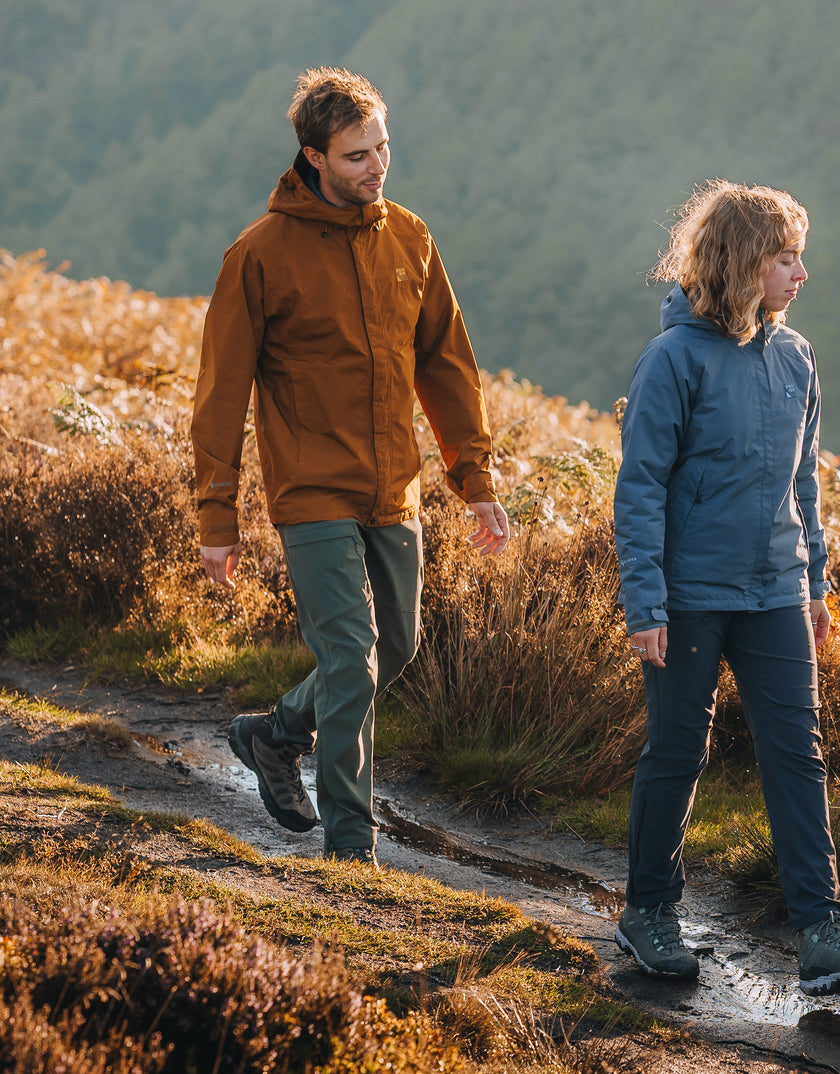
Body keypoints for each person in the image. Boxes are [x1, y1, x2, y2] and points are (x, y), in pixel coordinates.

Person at [191, 66, 510, 866]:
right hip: (310, 489)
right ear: (313, 157)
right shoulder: (257, 256)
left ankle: (274, 733)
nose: (377, 166)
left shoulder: (410, 236)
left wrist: (476, 483)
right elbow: (221, 394)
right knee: (349, 656)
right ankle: (349, 846)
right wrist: (217, 517)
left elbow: (447, 366)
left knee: (393, 647)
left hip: (391, 487)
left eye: (383, 148)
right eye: (358, 155)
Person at [612, 179, 840, 996]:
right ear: (743, 263)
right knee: (678, 751)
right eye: (786, 258)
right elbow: (639, 489)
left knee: (798, 758)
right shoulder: (672, 359)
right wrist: (647, 602)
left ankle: (821, 933)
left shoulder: (798, 356)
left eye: (800, 256)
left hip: (776, 589)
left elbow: (803, 480)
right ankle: (650, 912)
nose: (801, 273)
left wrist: (815, 582)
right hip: (691, 592)